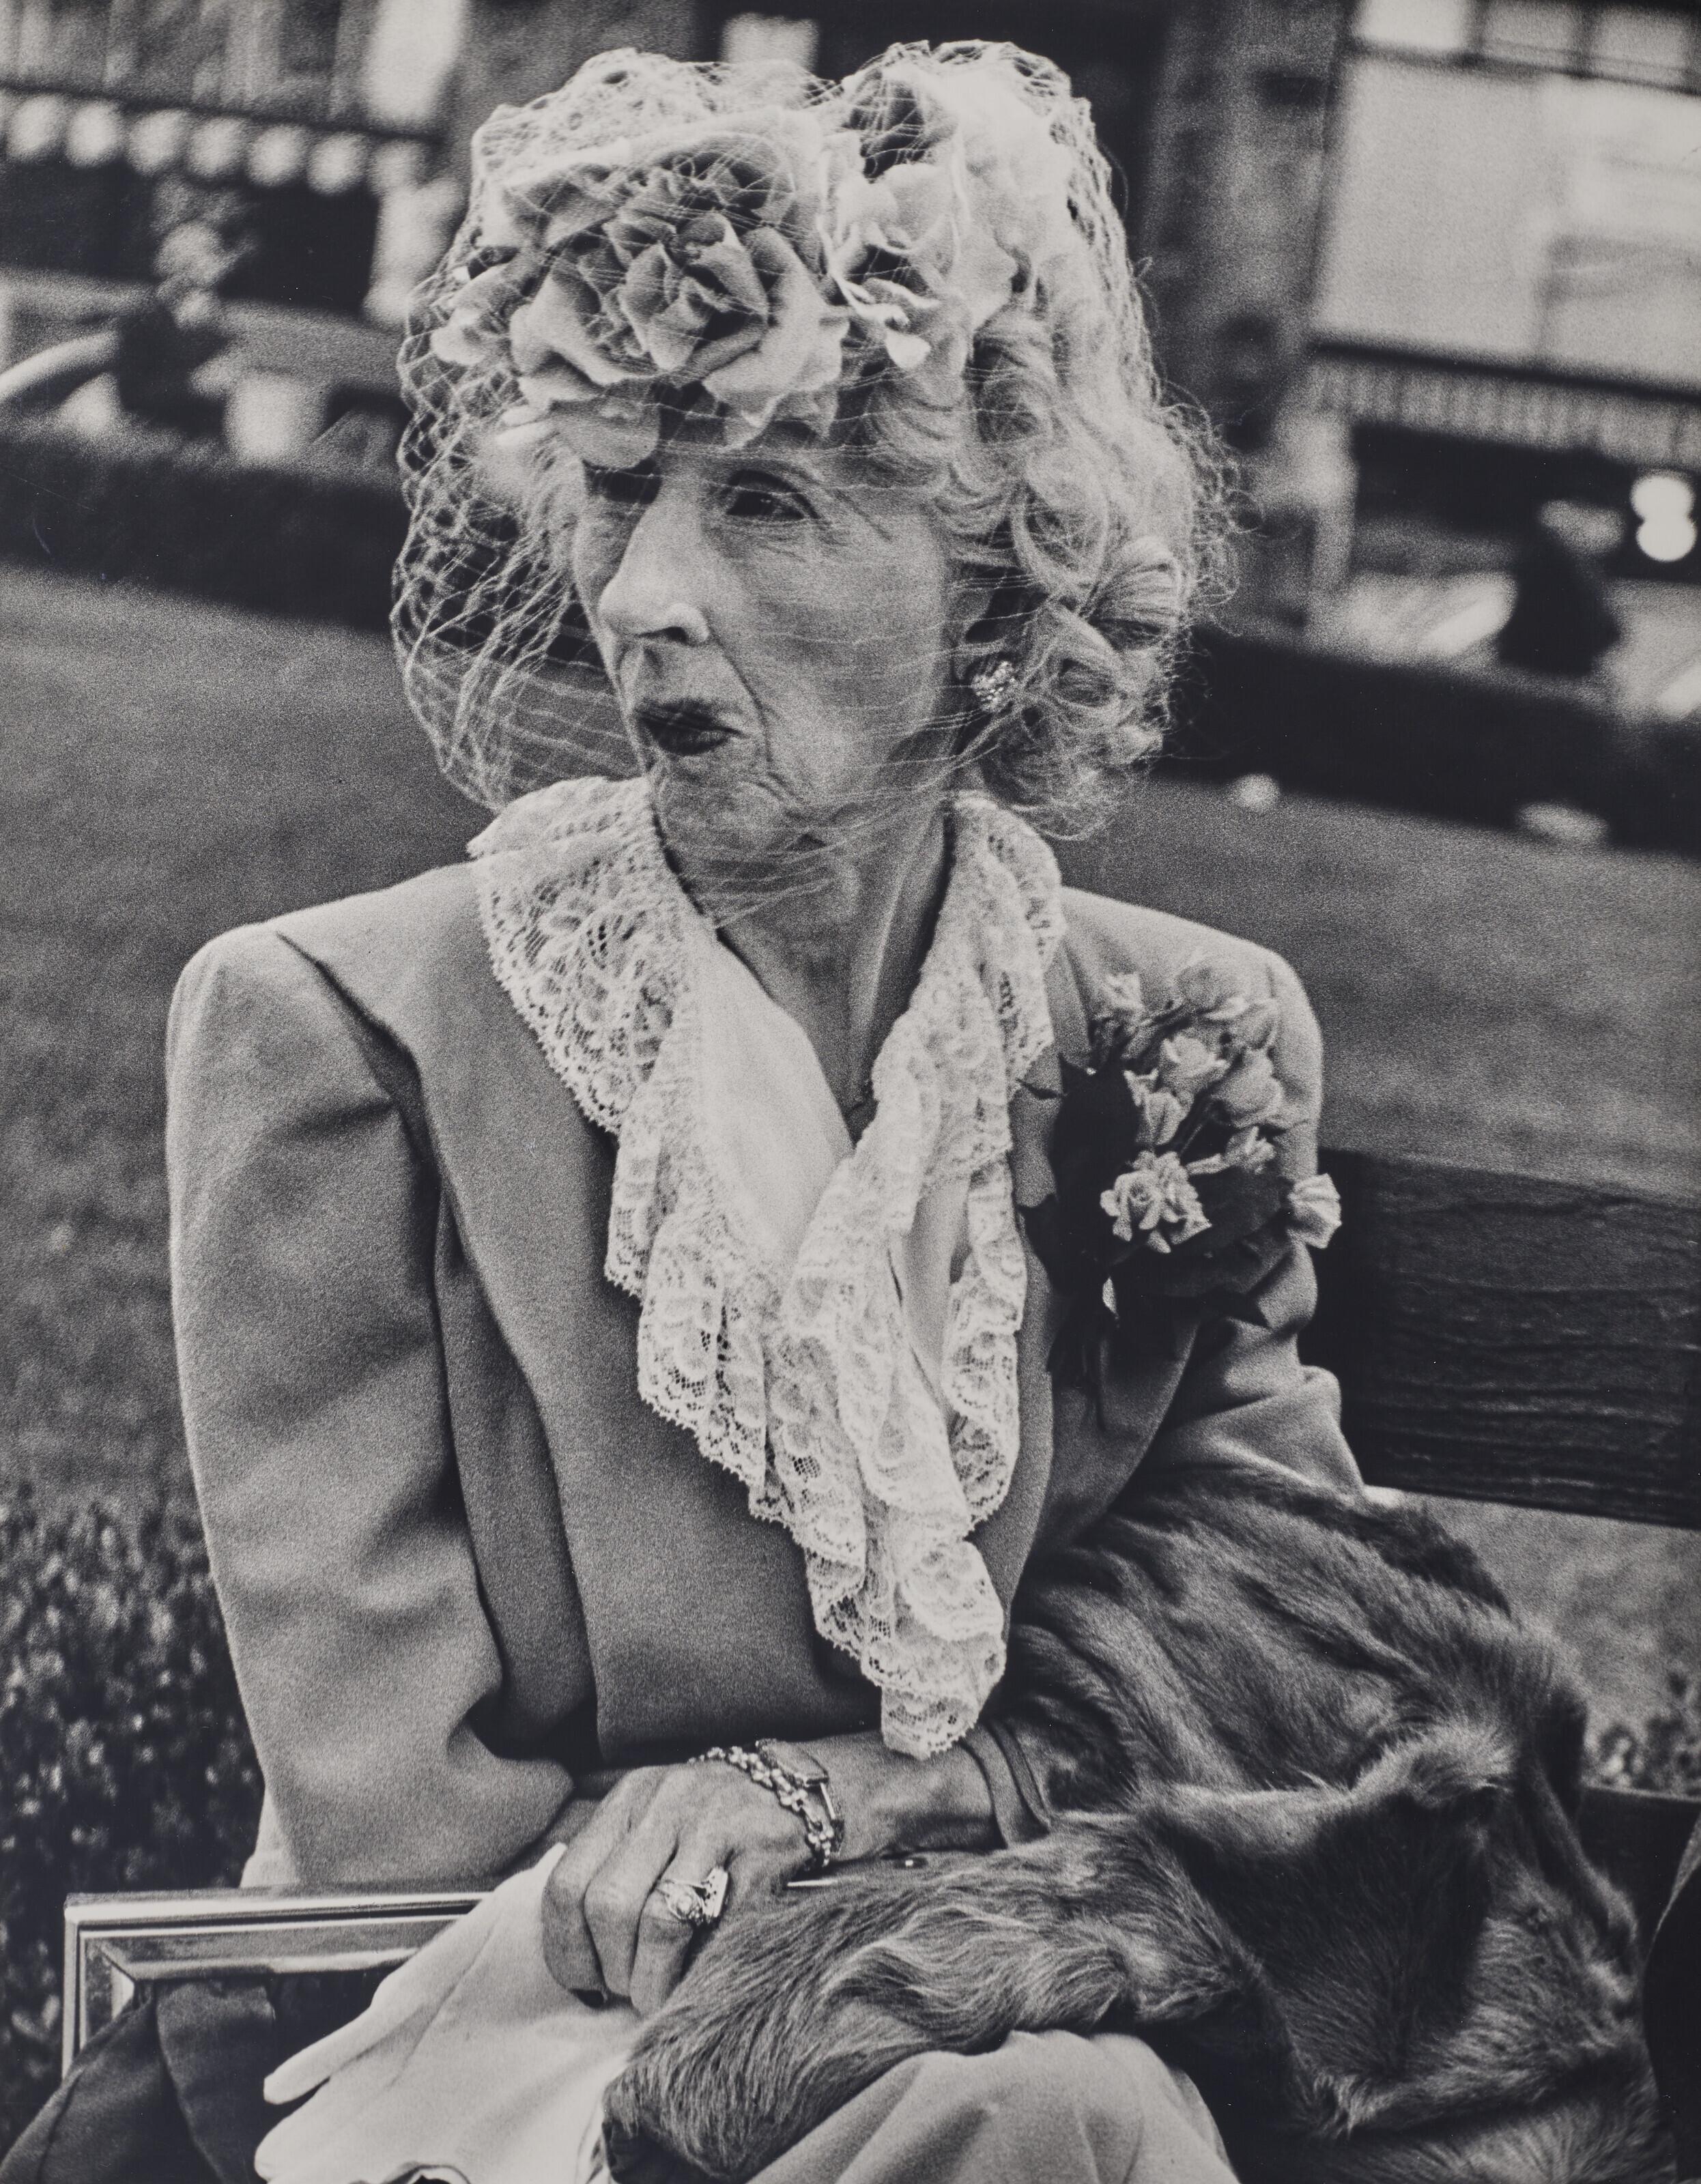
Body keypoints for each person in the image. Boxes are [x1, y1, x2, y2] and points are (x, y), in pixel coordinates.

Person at [160, 41, 1362, 2182]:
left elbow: (1272, 1658)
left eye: (770, 503)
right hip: (495, 2030)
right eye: (618, 489)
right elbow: (392, 1809)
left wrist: (866, 1798)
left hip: (1027, 1988)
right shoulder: (340, 1035)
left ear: (995, 584)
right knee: (1054, 2126)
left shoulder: (1180, 1038)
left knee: (1056, 2109)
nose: (639, 599)